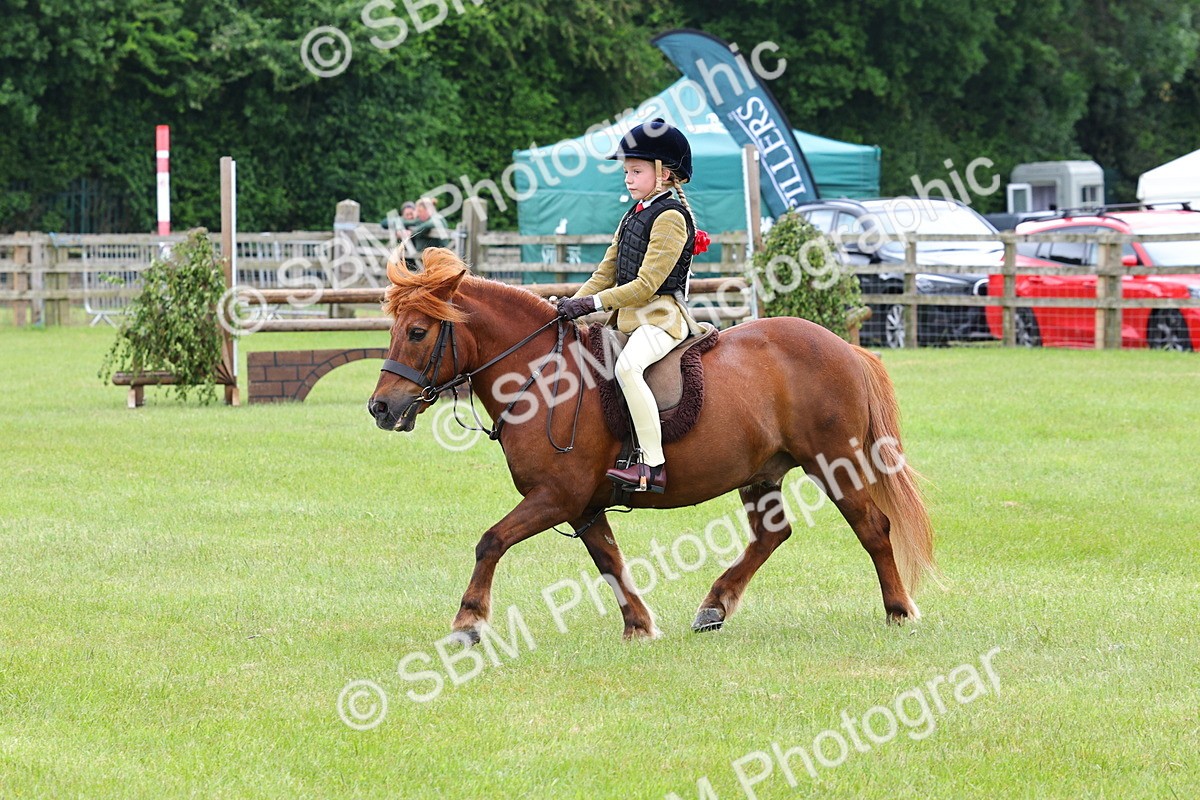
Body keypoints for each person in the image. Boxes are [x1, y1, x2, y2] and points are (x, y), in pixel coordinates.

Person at [556, 118, 704, 494]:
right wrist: (572, 303)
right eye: (626, 171)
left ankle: (652, 466)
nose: (628, 177)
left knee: (627, 368)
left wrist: (593, 303)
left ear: (664, 174)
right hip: (628, 320)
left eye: (636, 171)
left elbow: (645, 286)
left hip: (661, 318)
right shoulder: (633, 215)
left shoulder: (671, 218)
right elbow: (606, 271)